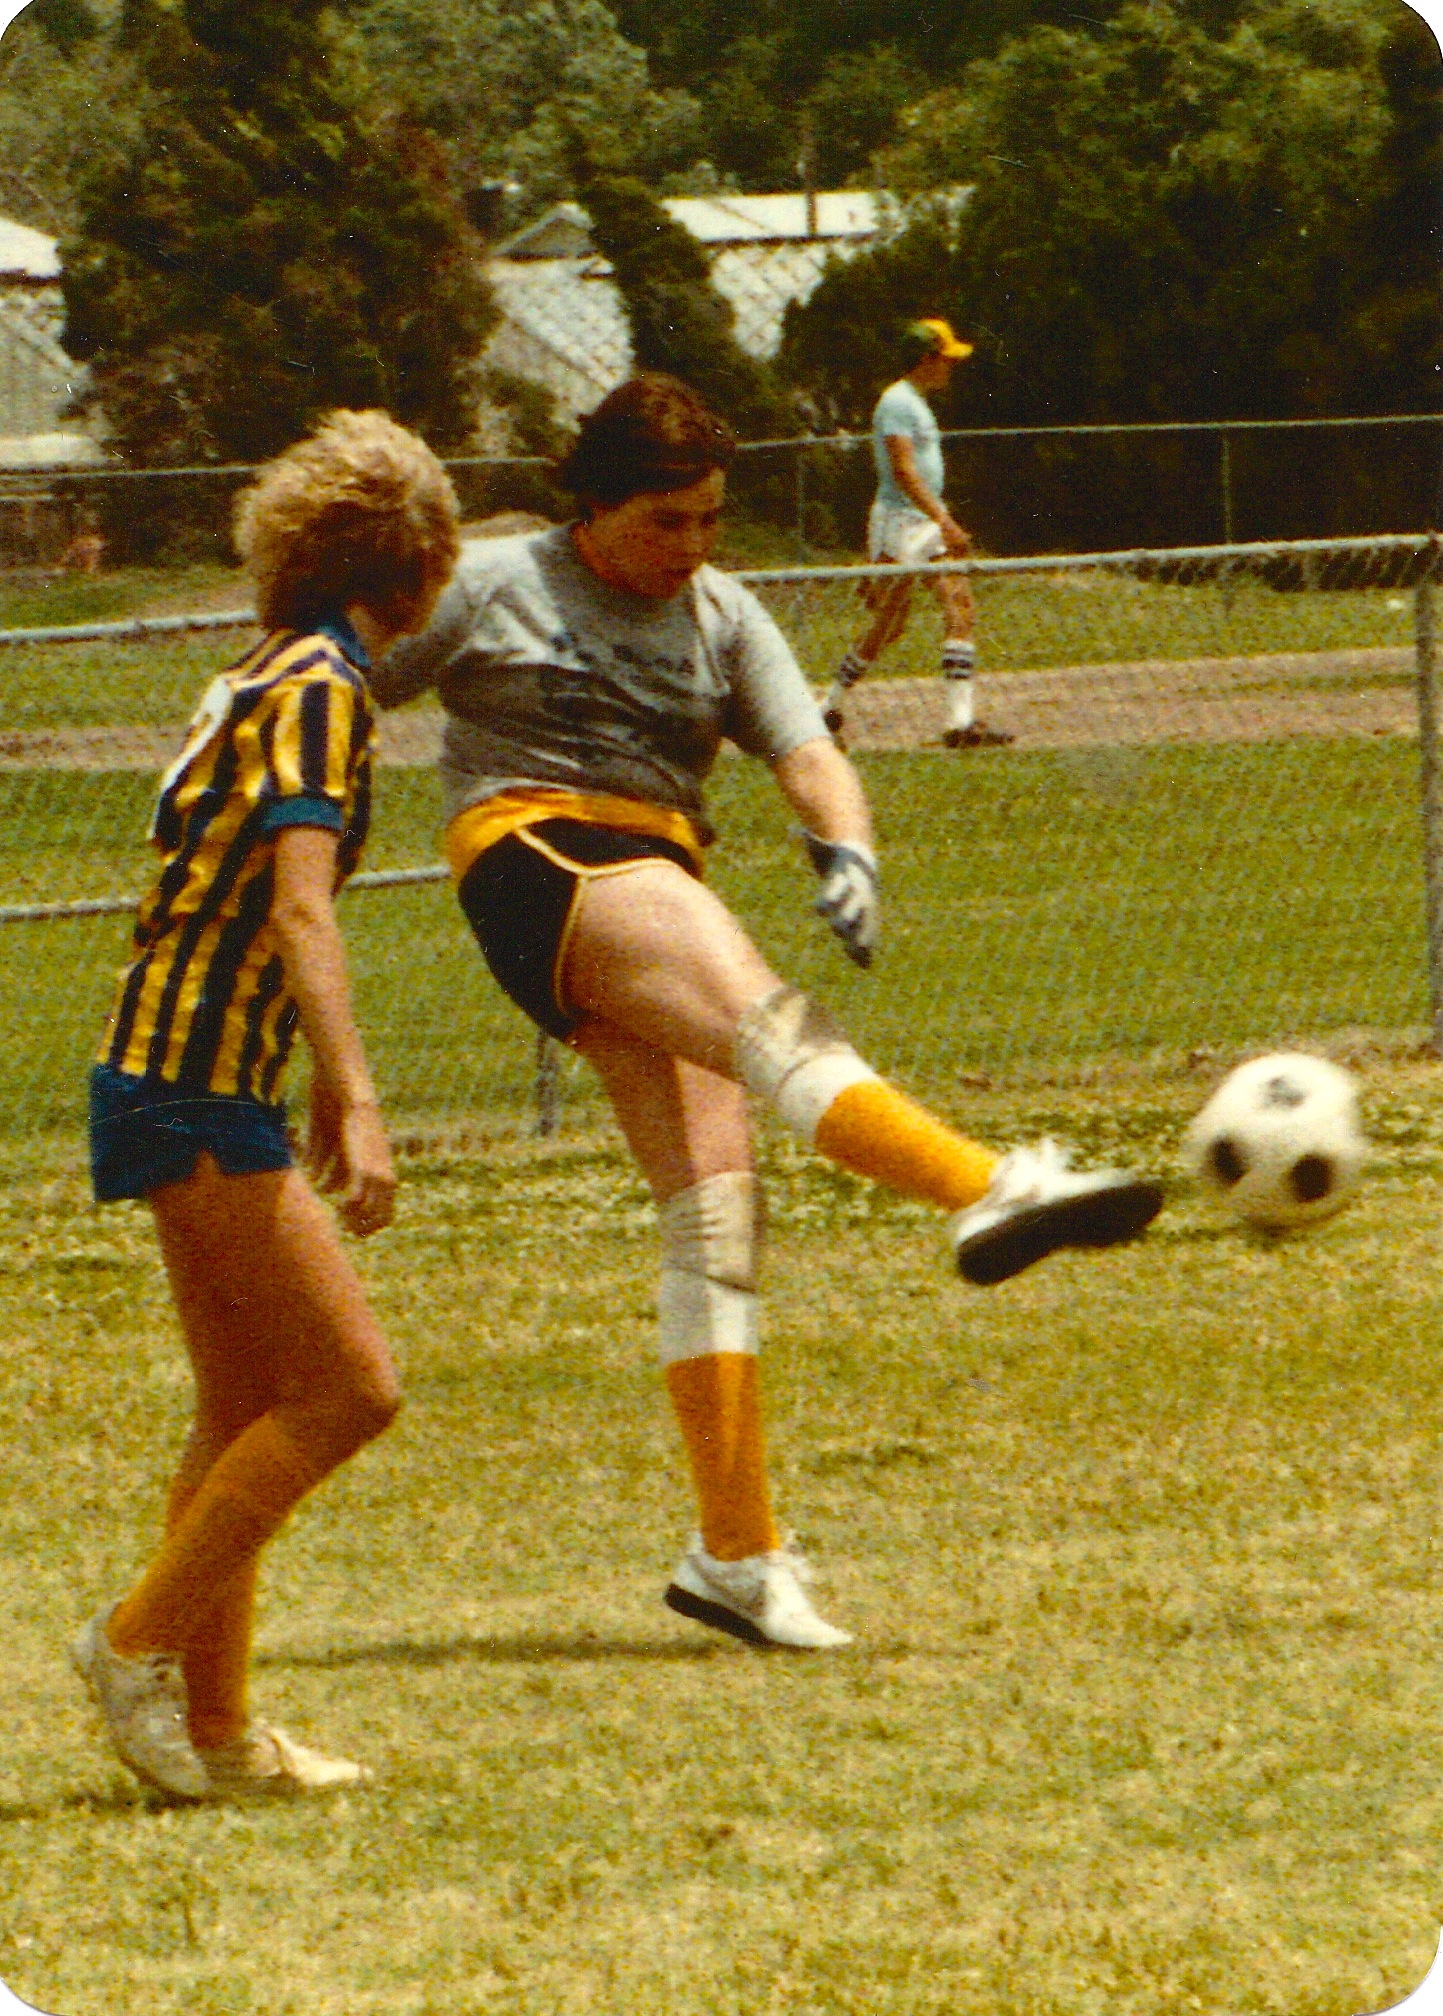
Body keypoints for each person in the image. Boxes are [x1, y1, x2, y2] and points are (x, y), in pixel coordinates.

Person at [374, 373, 1160, 1652]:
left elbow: (806, 751)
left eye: (710, 520)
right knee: (770, 1019)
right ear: (593, 504)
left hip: (654, 866)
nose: (693, 546)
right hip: (533, 846)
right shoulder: (494, 580)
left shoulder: (725, 614)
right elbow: (346, 675)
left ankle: (734, 1556)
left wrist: (849, 849)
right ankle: (986, 1186)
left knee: (718, 1211)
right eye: (666, 521)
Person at [72, 410, 461, 1800]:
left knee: (243, 1405)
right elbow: (300, 908)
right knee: (351, 1390)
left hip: (170, 1070)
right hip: (192, 1081)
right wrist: (356, 1094)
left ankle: (222, 1737)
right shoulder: (323, 690)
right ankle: (134, 1645)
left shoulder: (258, 672)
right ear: (414, 564)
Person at [823, 318, 1012, 750]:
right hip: (901, 522)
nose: (950, 368)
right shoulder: (896, 402)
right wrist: (944, 520)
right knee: (890, 623)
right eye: (945, 360)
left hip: (924, 521)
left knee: (960, 605)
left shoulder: (916, 403)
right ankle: (827, 706)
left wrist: (938, 520)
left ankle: (959, 722)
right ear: (926, 359)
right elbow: (904, 472)